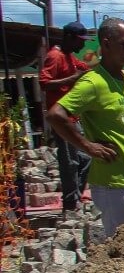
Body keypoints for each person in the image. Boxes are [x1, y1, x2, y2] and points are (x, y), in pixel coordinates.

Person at [46, 18, 124, 239]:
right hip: (115, 185)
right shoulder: (93, 83)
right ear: (106, 44)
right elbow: (56, 115)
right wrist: (88, 147)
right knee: (122, 251)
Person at [39, 21, 94, 211]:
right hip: (61, 119)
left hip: (72, 118)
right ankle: (71, 202)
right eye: (80, 41)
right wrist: (71, 79)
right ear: (69, 38)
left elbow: (86, 68)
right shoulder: (55, 56)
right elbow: (44, 83)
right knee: (69, 161)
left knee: (86, 158)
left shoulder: (70, 57)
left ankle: (75, 195)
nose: (82, 45)